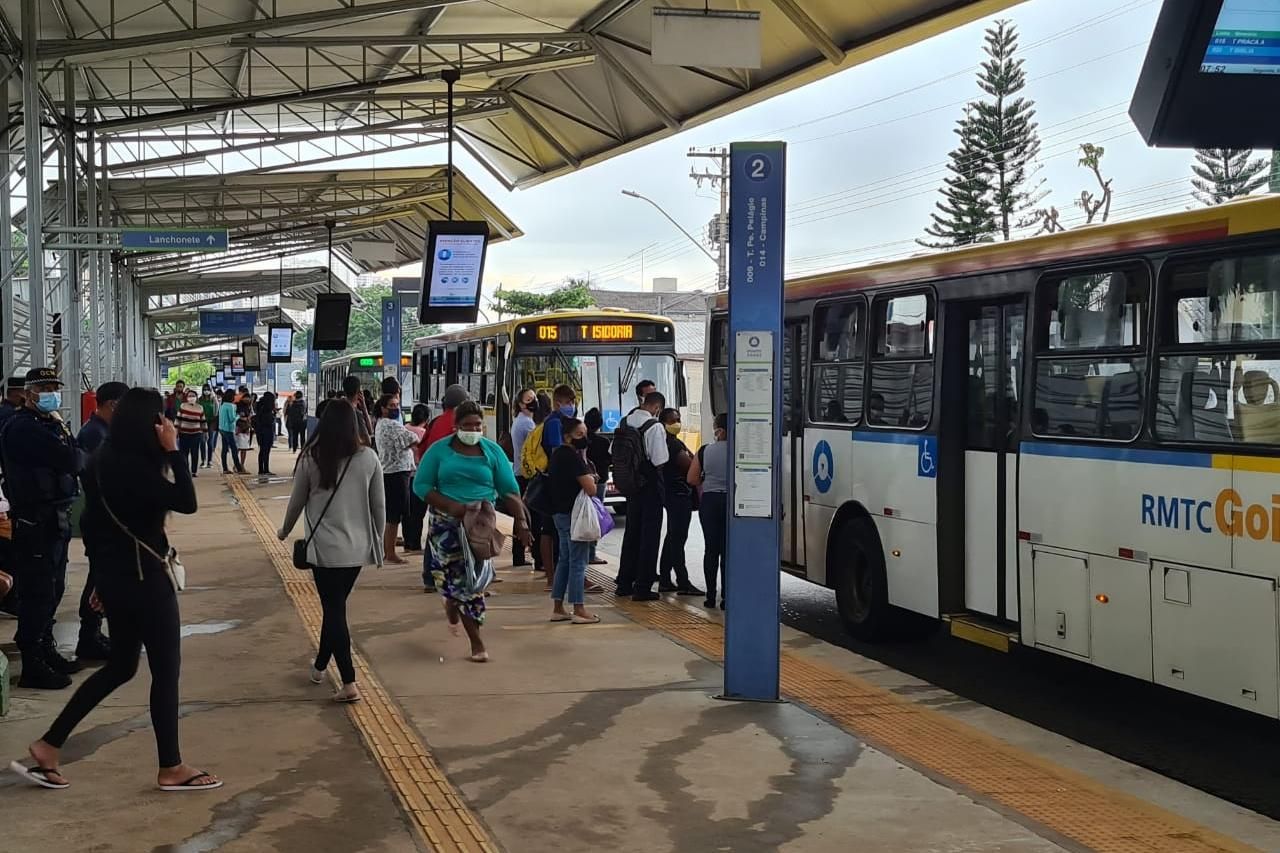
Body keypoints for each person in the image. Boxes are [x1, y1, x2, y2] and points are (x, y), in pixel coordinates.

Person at [9, 387, 223, 792]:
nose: (166, 424)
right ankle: (171, 767)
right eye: (161, 418)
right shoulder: (138, 468)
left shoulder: (101, 461)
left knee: (121, 666)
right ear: (151, 423)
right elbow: (187, 501)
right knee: (166, 671)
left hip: (118, 580)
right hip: (146, 581)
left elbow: (93, 527)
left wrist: (103, 582)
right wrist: (175, 450)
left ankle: (49, 745)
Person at [278, 398, 385, 704]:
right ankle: (320, 665)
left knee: (334, 609)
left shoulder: (312, 457)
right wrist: (377, 540)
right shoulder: (368, 458)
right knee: (334, 608)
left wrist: (285, 530)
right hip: (357, 550)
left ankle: (350, 681)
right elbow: (379, 505)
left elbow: (296, 501)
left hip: (324, 550)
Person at [413, 401, 531, 663]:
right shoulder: (439, 451)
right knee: (465, 583)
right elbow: (421, 486)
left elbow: (509, 490)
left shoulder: (492, 451)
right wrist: (451, 506)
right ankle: (477, 643)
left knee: (473, 581)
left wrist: (521, 520)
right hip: (447, 525)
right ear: (456, 426)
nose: (473, 429)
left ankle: (453, 604)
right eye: (467, 426)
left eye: (478, 425)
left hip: (480, 526)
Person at [1, 368, 84, 688]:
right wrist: (74, 456)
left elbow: (73, 457)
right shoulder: (23, 428)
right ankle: (33, 661)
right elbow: (73, 460)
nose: (52, 392)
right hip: (34, 520)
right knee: (37, 591)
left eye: (54, 387)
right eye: (45, 387)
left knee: (54, 587)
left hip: (54, 518)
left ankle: (45, 647)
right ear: (28, 392)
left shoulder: (50, 424)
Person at [72, 381, 130, 662]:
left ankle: (92, 634)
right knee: (99, 579)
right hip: (102, 521)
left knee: (103, 578)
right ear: (114, 405)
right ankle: (88, 638)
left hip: (106, 518)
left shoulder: (103, 431)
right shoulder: (96, 434)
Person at [615, 391, 668, 601]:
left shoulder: (624, 422)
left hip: (630, 486)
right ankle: (643, 586)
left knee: (631, 533)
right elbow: (659, 460)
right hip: (649, 486)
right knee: (650, 536)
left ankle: (624, 583)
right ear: (657, 408)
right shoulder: (654, 427)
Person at [547, 417, 599, 625]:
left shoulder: (557, 454)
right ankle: (579, 608)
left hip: (559, 513)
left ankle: (558, 608)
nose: (584, 438)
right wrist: (592, 478)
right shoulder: (572, 457)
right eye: (580, 434)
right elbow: (591, 488)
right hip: (574, 515)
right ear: (567, 436)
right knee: (578, 563)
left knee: (565, 560)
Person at [657, 408, 702, 596]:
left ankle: (666, 579)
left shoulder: (667, 442)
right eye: (674, 420)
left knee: (672, 537)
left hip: (670, 493)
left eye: (678, 419)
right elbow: (690, 466)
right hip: (678, 494)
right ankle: (683, 581)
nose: (678, 423)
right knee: (678, 538)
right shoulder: (673, 445)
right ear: (665, 423)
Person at [374, 393, 422, 565]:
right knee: (394, 516)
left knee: (392, 515)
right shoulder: (391, 425)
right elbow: (414, 438)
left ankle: (388, 550)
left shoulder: (381, 423)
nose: (395, 408)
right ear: (383, 408)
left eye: (397, 405)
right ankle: (390, 552)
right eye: (391, 406)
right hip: (396, 473)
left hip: (391, 472)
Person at [687, 413, 729, 610]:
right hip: (731, 502)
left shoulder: (704, 451)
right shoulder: (739, 451)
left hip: (710, 502)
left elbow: (692, 479)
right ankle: (727, 597)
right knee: (728, 551)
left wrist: (707, 478)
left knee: (711, 550)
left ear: (719, 430)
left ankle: (710, 596)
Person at [509, 388, 537, 567]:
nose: (533, 401)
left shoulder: (521, 421)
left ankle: (519, 554)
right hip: (526, 474)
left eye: (534, 398)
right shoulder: (526, 424)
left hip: (520, 472)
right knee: (526, 515)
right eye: (529, 399)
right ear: (520, 404)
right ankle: (521, 554)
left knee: (522, 515)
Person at [582, 408, 612, 566]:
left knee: (584, 516)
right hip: (599, 483)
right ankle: (591, 553)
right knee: (595, 517)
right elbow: (609, 460)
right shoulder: (604, 442)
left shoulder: (581, 440)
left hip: (582, 481)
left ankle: (583, 551)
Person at [402, 404, 431, 554]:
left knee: (407, 511)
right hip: (419, 476)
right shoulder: (424, 433)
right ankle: (415, 544)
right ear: (426, 419)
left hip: (406, 474)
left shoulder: (404, 428)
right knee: (418, 513)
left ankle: (407, 541)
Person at [175, 389, 207, 477]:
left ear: (196, 397)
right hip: (183, 433)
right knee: (184, 453)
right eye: (189, 396)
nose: (191, 397)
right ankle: (185, 470)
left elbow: (203, 421)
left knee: (195, 452)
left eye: (193, 396)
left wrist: (205, 432)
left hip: (196, 433)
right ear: (187, 397)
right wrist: (176, 431)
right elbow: (178, 419)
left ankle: (194, 471)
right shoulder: (183, 406)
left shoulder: (200, 407)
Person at [341, 375, 373, 446]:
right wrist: (364, 409)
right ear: (359, 392)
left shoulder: (338, 409)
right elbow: (369, 438)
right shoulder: (356, 413)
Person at [218, 390, 244, 474]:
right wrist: (238, 416)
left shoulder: (223, 405)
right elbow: (232, 419)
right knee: (234, 449)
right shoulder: (231, 406)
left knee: (224, 449)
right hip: (229, 429)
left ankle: (225, 468)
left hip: (222, 428)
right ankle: (238, 467)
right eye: (235, 395)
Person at [254, 392, 277, 476]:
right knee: (266, 451)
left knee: (262, 450)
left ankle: (261, 469)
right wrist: (273, 414)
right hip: (267, 431)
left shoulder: (260, 405)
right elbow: (269, 421)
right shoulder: (267, 409)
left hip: (260, 431)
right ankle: (266, 469)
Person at [199, 387, 218, 468]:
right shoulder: (200, 400)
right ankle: (203, 461)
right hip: (202, 422)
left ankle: (209, 461)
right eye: (205, 389)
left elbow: (217, 411)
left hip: (211, 422)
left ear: (210, 391)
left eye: (208, 390)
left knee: (210, 442)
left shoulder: (214, 400)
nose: (206, 391)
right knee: (202, 441)